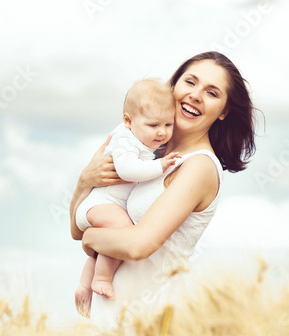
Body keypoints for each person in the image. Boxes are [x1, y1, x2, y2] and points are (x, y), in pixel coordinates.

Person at [70, 51, 256, 330]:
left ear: (224, 112)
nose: (195, 95)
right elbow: (77, 228)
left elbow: (137, 245)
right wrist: (84, 182)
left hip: (145, 318)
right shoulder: (145, 153)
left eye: (212, 93)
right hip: (107, 314)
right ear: (174, 86)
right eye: (190, 82)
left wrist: (91, 241)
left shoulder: (199, 166)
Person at [74, 78, 181, 317]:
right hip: (100, 203)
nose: (162, 132)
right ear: (127, 121)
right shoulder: (124, 139)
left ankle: (84, 286)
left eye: (168, 124)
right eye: (153, 125)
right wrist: (161, 166)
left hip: (107, 205)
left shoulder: (140, 136)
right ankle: (102, 277)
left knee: (107, 245)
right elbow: (127, 170)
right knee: (122, 232)